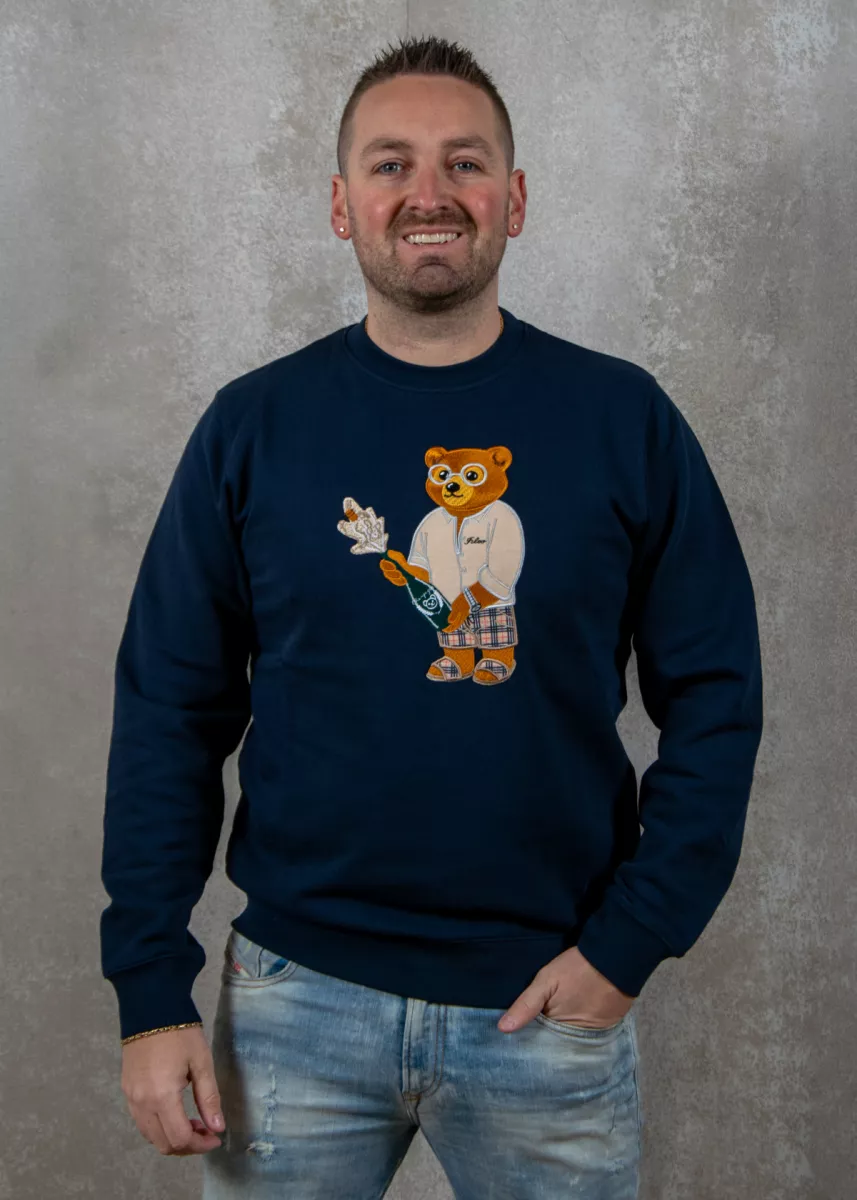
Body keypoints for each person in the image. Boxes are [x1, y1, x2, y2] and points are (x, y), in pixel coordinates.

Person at [100, 34, 764, 1199]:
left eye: (463, 163)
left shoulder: (622, 420)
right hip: (294, 1006)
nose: (428, 193)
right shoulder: (253, 428)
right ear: (340, 206)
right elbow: (169, 712)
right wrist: (151, 990)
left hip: (546, 1005)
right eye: (390, 163)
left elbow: (716, 695)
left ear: (513, 199)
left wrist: (626, 945)